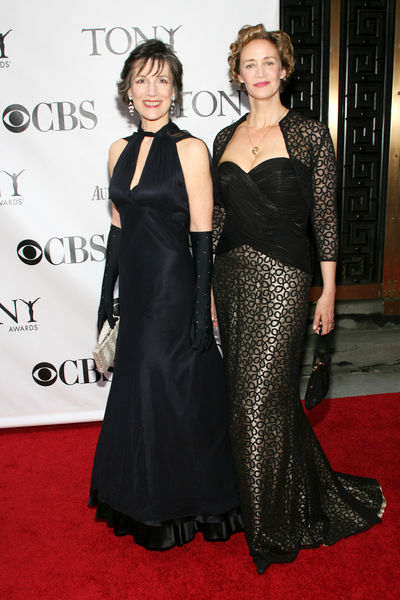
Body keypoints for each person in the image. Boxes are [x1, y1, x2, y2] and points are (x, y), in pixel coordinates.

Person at [211, 24, 385, 574]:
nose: (259, 72)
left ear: (284, 70)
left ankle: (270, 525)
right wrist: (208, 291)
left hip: (285, 280)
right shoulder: (223, 138)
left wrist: (328, 290)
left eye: (269, 63)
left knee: (257, 400)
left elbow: (325, 218)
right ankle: (283, 495)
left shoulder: (309, 134)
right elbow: (217, 218)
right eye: (249, 64)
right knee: (255, 399)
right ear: (237, 74)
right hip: (230, 279)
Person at [89, 39, 241, 551]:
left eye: (162, 80)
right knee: (138, 393)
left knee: (175, 391)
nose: (152, 90)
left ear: (174, 90)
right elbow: (116, 232)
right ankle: (144, 500)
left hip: (175, 291)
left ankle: (188, 505)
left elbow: (202, 237)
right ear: (127, 91)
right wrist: (106, 301)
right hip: (134, 293)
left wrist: (201, 313)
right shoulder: (117, 150)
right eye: (141, 80)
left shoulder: (191, 149)